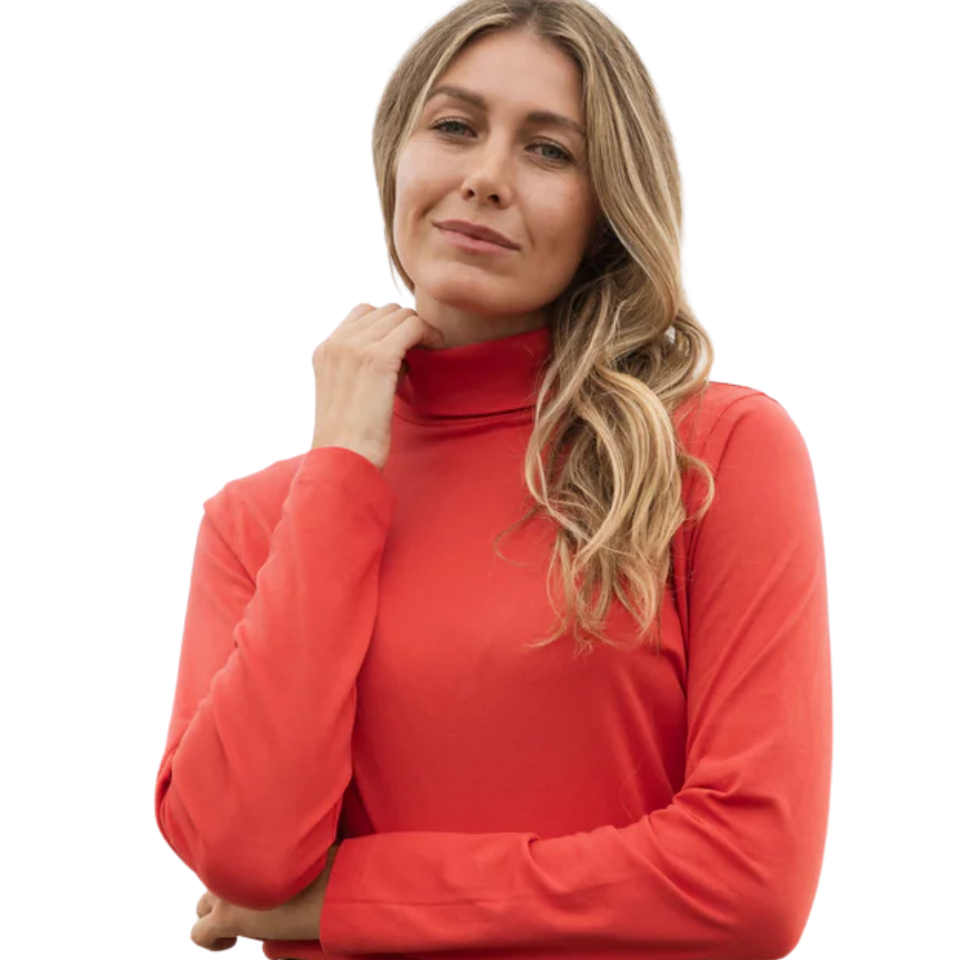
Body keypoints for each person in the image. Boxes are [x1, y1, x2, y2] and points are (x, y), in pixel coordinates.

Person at [156, 1, 833, 958]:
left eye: (549, 151)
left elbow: (750, 881)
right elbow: (242, 855)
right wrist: (340, 468)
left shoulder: (714, 453)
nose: (485, 177)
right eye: (454, 126)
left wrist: (347, 902)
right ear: (396, 158)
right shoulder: (260, 521)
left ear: (607, 212)